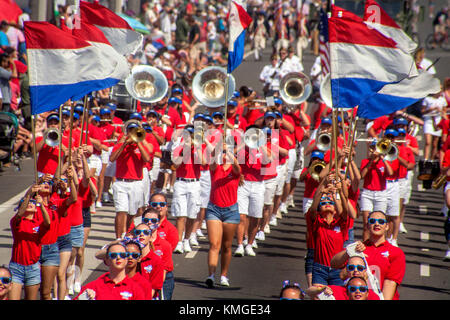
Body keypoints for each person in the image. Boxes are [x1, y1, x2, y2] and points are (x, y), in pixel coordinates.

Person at [331, 211, 406, 300]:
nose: (377, 224)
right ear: (367, 226)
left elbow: (390, 283)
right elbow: (334, 263)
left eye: (381, 222)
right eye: (372, 221)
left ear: (387, 227)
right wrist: (348, 251)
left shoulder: (396, 252)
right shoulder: (358, 248)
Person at [204, 140, 241, 288]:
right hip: (214, 209)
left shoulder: (236, 171)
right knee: (214, 244)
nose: (224, 155)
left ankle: (223, 275)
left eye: (227, 153)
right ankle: (211, 275)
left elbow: (237, 167)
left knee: (226, 246)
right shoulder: (215, 168)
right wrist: (219, 147)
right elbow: (212, 159)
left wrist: (229, 151)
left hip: (231, 211)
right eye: (223, 153)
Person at [109, 120, 152, 239]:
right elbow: (112, 159)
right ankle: (118, 238)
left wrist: (138, 143)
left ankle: (127, 234)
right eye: (130, 131)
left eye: (135, 131)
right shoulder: (120, 144)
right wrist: (124, 144)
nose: (132, 133)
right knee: (121, 210)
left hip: (136, 183)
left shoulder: (140, 146)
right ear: (126, 132)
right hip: (121, 182)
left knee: (133, 213)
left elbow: (147, 158)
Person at [8, 184, 51, 300]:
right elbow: (20, 214)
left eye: (32, 202)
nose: (30, 203)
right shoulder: (17, 222)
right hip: (16, 267)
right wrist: (28, 196)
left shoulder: (38, 223)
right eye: (27, 203)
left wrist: (41, 204)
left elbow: (48, 223)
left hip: (33, 268)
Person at [74, 242, 146, 300]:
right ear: (107, 260)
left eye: (123, 255)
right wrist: (83, 298)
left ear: (127, 259)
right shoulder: (93, 286)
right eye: (114, 255)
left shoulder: (136, 289)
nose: (118, 257)